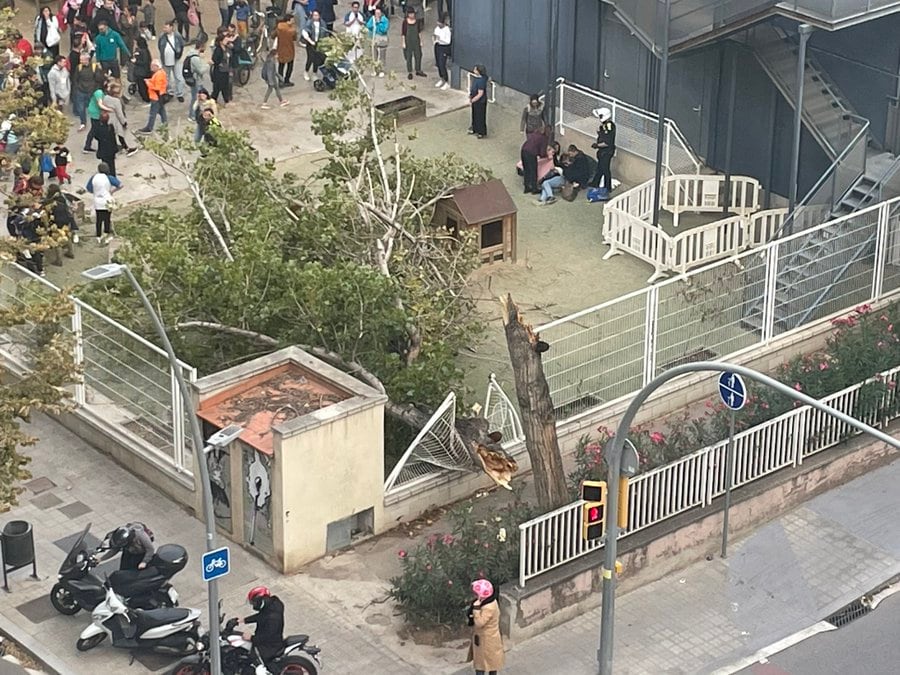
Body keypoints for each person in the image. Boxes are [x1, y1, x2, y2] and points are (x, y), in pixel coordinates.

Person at [467, 578, 504, 675]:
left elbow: (479, 623)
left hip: (486, 640)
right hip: (490, 638)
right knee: (492, 664)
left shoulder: (488, 607)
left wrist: (475, 609)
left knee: (481, 665)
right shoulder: (491, 601)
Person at [239, 587, 285, 664]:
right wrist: (244, 620)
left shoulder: (273, 618)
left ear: (261, 601)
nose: (254, 605)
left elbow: (267, 636)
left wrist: (251, 638)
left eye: (255, 602)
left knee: (252, 660)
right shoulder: (271, 606)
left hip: (270, 646)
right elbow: (261, 616)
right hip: (268, 640)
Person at [590, 106, 616, 200]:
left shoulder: (609, 126)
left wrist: (597, 145)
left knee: (605, 170)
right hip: (602, 152)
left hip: (606, 152)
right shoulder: (605, 126)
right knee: (600, 168)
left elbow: (607, 142)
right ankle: (595, 182)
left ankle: (607, 188)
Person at [137, 59, 168, 132]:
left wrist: (148, 83)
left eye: (152, 66)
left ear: (156, 66)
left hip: (156, 97)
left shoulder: (158, 75)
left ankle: (149, 127)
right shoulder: (161, 73)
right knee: (162, 112)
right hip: (160, 96)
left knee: (153, 113)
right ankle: (165, 125)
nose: (151, 68)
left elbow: (157, 87)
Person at [158, 21, 185, 102]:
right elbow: (159, 46)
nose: (164, 29)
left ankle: (179, 93)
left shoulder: (177, 36)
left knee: (178, 77)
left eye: (166, 27)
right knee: (166, 78)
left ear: (171, 27)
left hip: (175, 59)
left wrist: (179, 54)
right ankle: (170, 92)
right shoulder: (162, 36)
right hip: (165, 60)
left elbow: (182, 45)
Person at [520, 125, 548, 195]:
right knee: (533, 171)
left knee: (526, 169)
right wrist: (546, 155)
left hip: (524, 150)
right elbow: (542, 153)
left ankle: (527, 187)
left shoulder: (534, 133)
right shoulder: (543, 138)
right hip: (531, 154)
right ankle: (534, 188)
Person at [301, 10, 326, 81]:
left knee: (317, 59)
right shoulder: (309, 23)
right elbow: (305, 32)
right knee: (310, 58)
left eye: (317, 15)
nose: (315, 17)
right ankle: (306, 71)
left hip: (319, 43)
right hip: (310, 43)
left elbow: (325, 32)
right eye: (314, 15)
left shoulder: (322, 23)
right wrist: (310, 41)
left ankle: (314, 73)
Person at [400, 8, 424, 80]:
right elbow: (403, 33)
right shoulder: (405, 22)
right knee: (408, 57)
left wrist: (421, 41)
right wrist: (403, 42)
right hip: (408, 41)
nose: (411, 15)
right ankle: (410, 72)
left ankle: (418, 70)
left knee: (418, 55)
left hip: (416, 40)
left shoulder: (417, 22)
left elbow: (419, 32)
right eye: (410, 14)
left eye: (412, 13)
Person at [211, 32, 234, 104]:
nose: (227, 40)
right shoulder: (218, 50)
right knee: (217, 89)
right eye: (225, 39)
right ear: (221, 41)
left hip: (226, 71)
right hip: (219, 72)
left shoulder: (227, 48)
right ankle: (213, 101)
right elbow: (215, 60)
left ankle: (226, 101)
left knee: (225, 87)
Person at [365, 7, 388, 77]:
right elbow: (368, 26)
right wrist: (373, 22)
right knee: (374, 55)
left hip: (382, 39)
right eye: (376, 13)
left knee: (381, 56)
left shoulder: (385, 20)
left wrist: (378, 23)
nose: (377, 15)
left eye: (378, 13)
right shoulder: (372, 19)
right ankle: (374, 70)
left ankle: (381, 70)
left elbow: (384, 30)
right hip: (374, 39)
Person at [275, 14, 296, 86]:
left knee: (281, 66)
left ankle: (280, 81)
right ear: (289, 21)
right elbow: (295, 38)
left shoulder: (279, 27)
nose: (294, 21)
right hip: (289, 49)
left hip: (280, 49)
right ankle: (287, 80)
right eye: (292, 20)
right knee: (290, 66)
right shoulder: (292, 30)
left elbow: (273, 35)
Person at [468, 64, 488, 139]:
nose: (474, 70)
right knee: (474, 115)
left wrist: (472, 100)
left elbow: (480, 93)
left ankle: (481, 132)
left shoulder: (481, 81)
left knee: (480, 116)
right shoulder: (480, 78)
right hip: (476, 100)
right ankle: (474, 128)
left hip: (480, 102)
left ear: (478, 71)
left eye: (475, 69)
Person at [131, 35, 152, 102]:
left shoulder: (144, 51)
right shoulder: (140, 50)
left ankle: (147, 98)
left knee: (143, 87)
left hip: (143, 73)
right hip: (140, 72)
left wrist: (136, 61)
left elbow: (145, 62)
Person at [433, 13, 451, 89]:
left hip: (444, 47)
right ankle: (441, 78)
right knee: (438, 63)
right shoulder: (437, 28)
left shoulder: (447, 30)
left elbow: (448, 41)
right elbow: (435, 35)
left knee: (442, 64)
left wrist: (439, 38)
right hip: (437, 46)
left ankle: (446, 81)